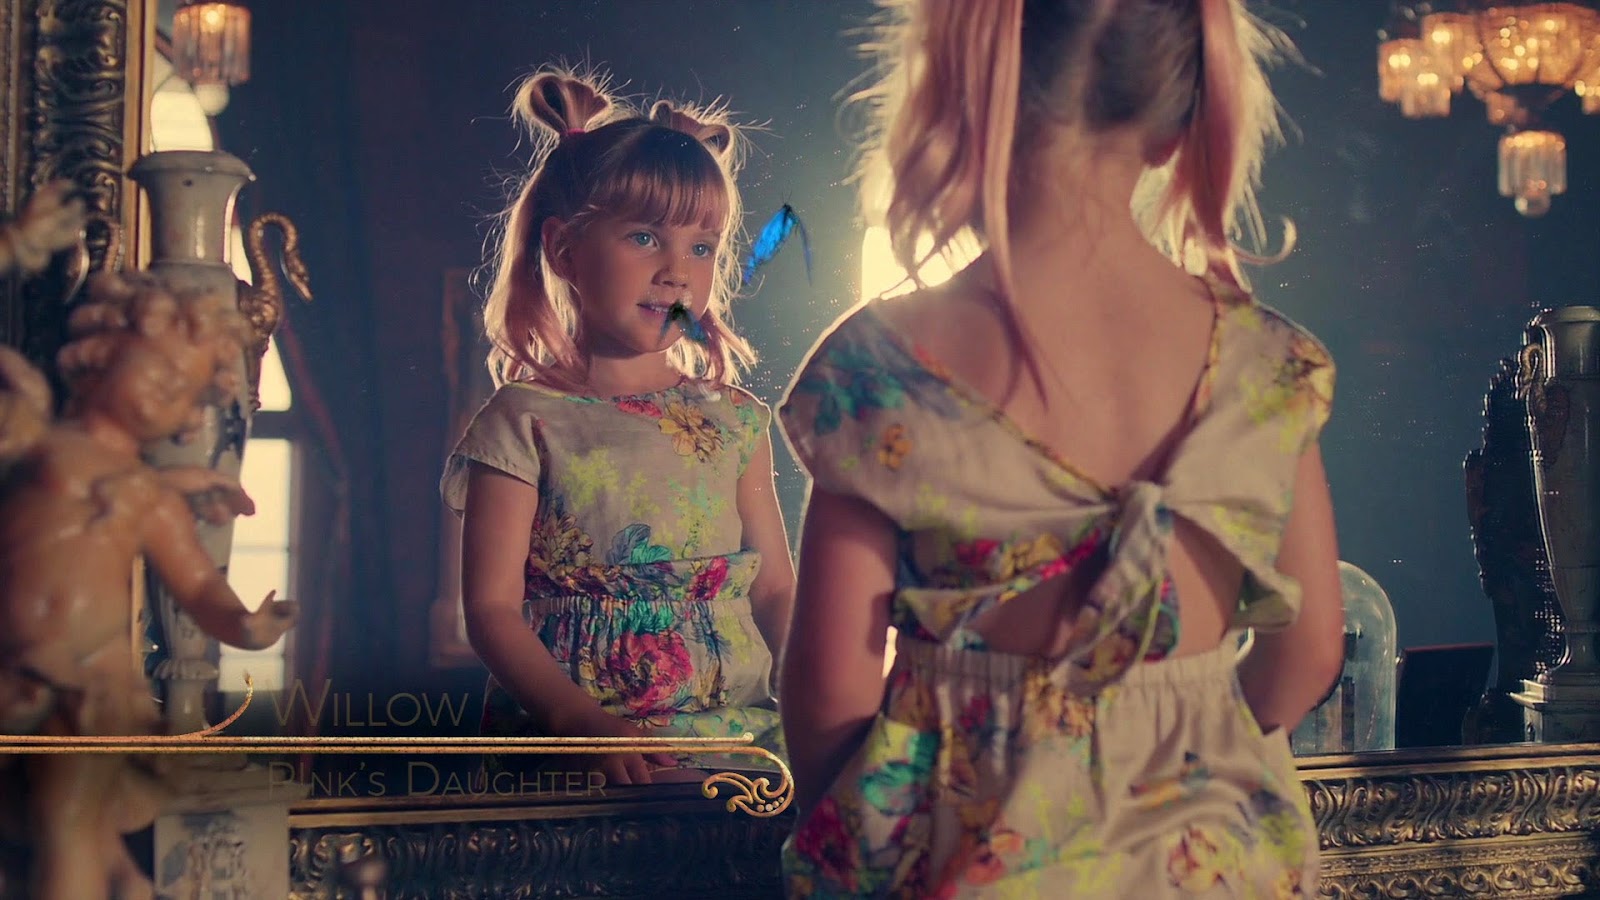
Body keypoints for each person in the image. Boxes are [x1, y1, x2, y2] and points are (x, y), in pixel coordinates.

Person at [776, 0, 1343, 895]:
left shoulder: (880, 368)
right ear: (1176, 127)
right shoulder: (1270, 364)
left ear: (963, 98)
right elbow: (1308, 655)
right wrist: (1184, 742)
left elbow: (827, 690)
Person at [440, 67, 795, 786]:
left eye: (701, 247)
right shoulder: (523, 420)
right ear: (564, 250)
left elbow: (776, 592)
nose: (677, 272)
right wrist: (580, 724)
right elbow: (491, 611)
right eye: (644, 236)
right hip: (576, 747)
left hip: (736, 748)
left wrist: (818, 708)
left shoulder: (735, 421)